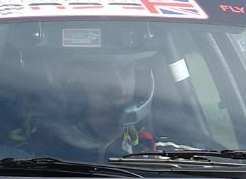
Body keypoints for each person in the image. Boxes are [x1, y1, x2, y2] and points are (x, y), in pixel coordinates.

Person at [24, 46, 160, 163]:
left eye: (126, 70)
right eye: (101, 75)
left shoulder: (151, 150)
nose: (120, 89)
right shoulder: (28, 157)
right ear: (71, 88)